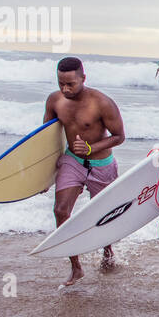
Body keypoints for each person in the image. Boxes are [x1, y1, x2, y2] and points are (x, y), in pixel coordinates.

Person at [44, 56, 126, 286]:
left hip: (102, 165)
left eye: (71, 83)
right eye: (61, 83)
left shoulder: (102, 102)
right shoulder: (54, 101)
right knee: (60, 210)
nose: (65, 89)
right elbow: (46, 140)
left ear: (83, 78)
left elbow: (120, 137)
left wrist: (91, 147)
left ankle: (108, 252)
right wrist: (44, 177)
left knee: (103, 214)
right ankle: (76, 267)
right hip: (72, 162)